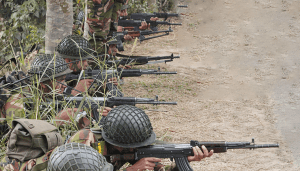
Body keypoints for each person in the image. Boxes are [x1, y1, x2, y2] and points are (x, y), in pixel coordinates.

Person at [68, 105, 213, 171]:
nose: (136, 148)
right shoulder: (85, 140)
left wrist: (182, 160)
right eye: (131, 146)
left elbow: (160, 169)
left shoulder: (137, 143)